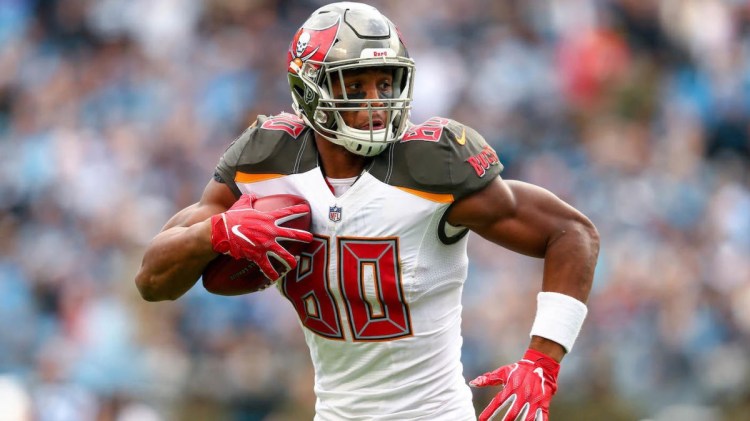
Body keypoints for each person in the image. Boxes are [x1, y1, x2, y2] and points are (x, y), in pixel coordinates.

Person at [134, 2, 600, 420]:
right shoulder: (267, 158)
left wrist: (543, 359)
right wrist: (215, 233)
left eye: (385, 82)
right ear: (309, 90)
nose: (377, 102)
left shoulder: (432, 163)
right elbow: (152, 282)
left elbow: (570, 232)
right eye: (355, 86)